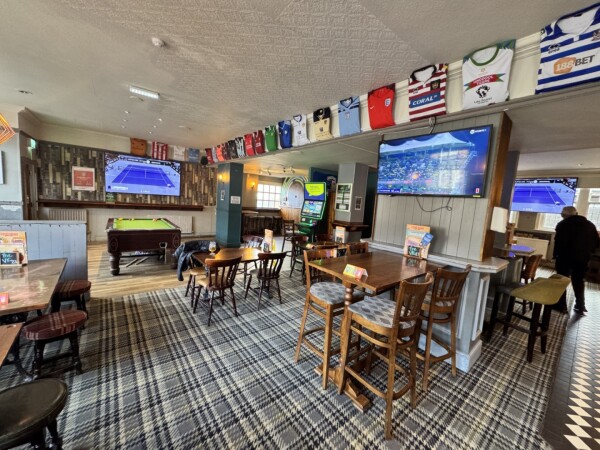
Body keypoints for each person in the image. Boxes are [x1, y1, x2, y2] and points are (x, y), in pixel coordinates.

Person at [553, 206, 599, 314]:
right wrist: (588, 253)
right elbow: (597, 243)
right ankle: (580, 305)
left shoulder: (563, 224)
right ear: (576, 213)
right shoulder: (590, 225)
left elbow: (559, 243)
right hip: (583, 258)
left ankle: (561, 306)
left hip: (565, 258)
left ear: (564, 215)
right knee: (579, 281)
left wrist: (556, 255)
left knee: (561, 280)